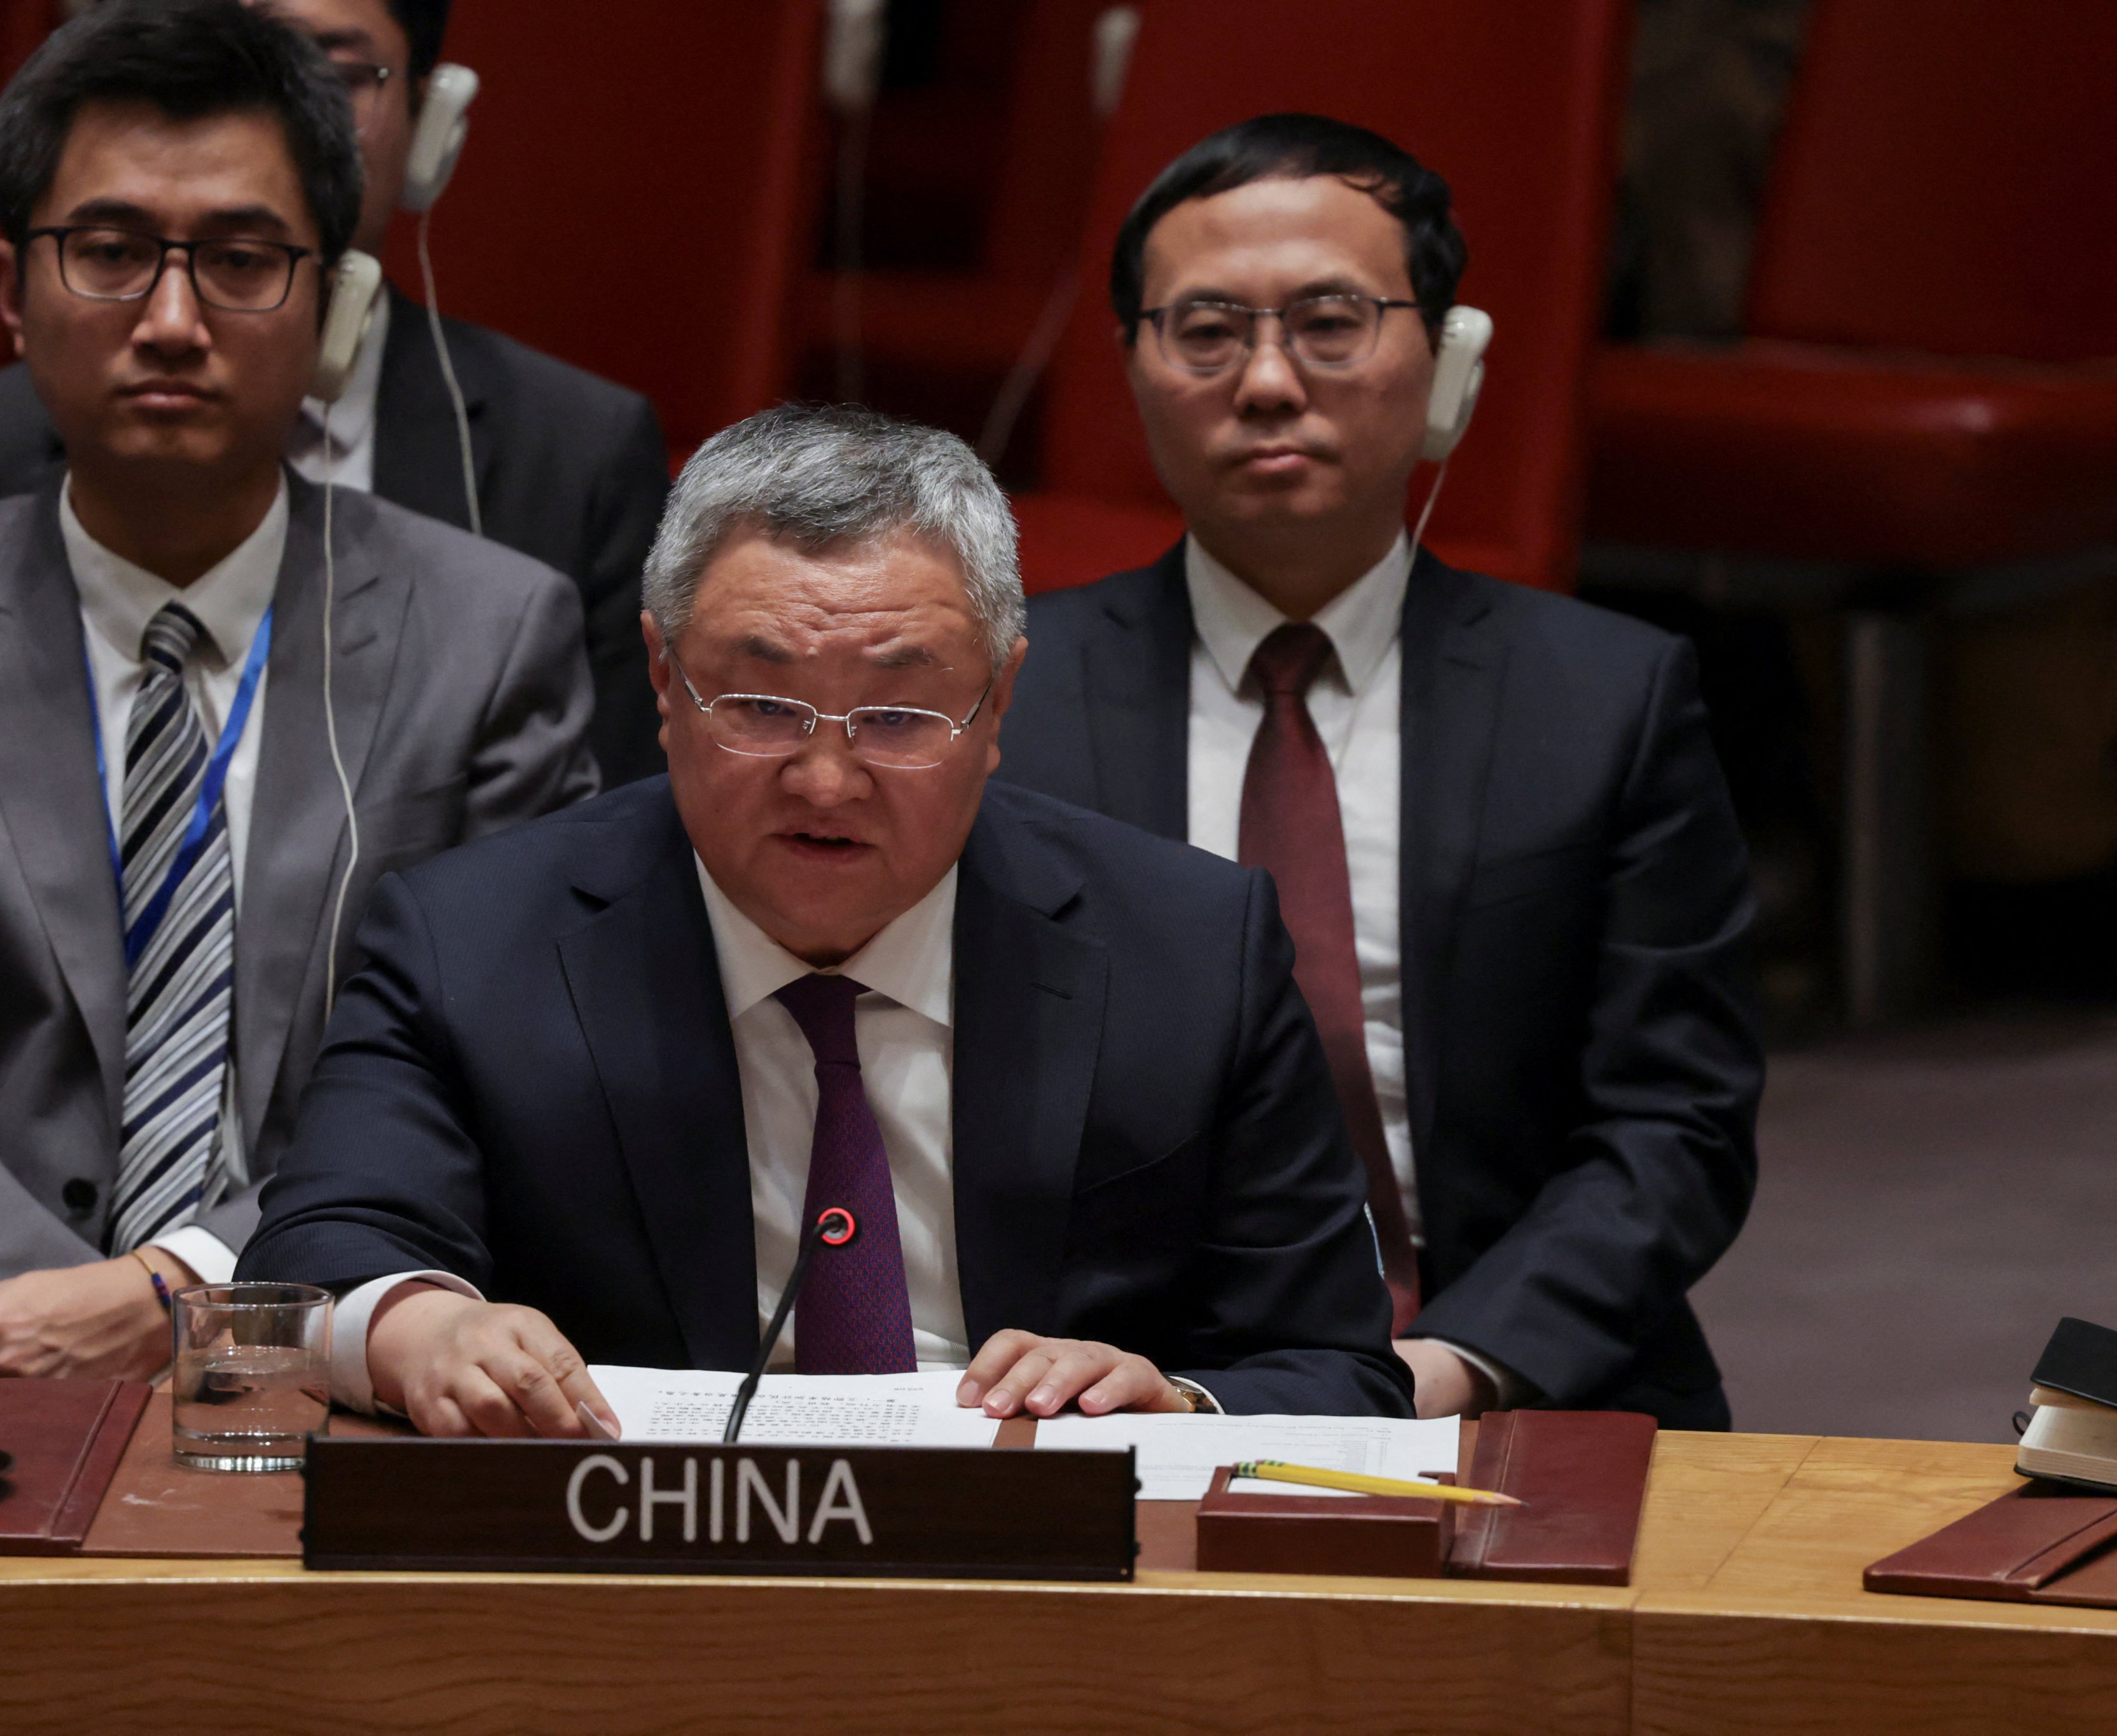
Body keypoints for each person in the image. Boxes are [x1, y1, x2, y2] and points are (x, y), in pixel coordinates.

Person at [239, 403, 1409, 1435]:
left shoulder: (1193, 950)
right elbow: (323, 1245)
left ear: (998, 699)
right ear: (661, 678)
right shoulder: (469, 940)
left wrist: (1177, 1410)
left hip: (1051, 1592)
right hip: (627, 1579)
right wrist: (419, 1326)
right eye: (758, 703)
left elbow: (1339, 1369)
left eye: (899, 714)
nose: (827, 780)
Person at [0, 0, 596, 1384]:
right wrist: (33, 1306)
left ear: (331, 297)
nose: (173, 319)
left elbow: (484, 1070)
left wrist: (181, 1288)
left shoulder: (491, 636)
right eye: (111, 253)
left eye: (244, 260)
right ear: (12, 293)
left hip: (344, 1339)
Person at [996, 115, 1763, 1428]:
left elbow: (1671, 1126)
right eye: (1204, 330)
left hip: (1514, 1380)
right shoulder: (1009, 699)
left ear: (1445, 360)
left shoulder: (1603, 701)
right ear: (1130, 368)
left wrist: (1429, 1373)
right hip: (1122, 1395)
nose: (1267, 381)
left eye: (1330, 322)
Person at [0, 0, 669, 786]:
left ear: (430, 120)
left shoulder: (577, 460)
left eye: (326, 73)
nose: (174, 324)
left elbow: (599, 870)